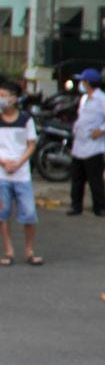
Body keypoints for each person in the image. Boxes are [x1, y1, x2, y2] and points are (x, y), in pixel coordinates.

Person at [0, 78, 42, 266]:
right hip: (2, 175)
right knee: (3, 214)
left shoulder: (26, 119)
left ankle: (29, 251)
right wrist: (3, 162)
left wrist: (18, 163)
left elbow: (31, 145)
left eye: (3, 96)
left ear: (14, 99)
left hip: (22, 175)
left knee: (29, 214)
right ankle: (8, 252)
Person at [68, 68, 105, 217]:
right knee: (77, 179)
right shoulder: (84, 99)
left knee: (95, 180)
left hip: (93, 147)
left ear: (88, 83)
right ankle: (76, 206)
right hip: (79, 145)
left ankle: (100, 208)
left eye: (83, 81)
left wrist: (102, 129)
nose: (81, 83)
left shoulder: (101, 98)